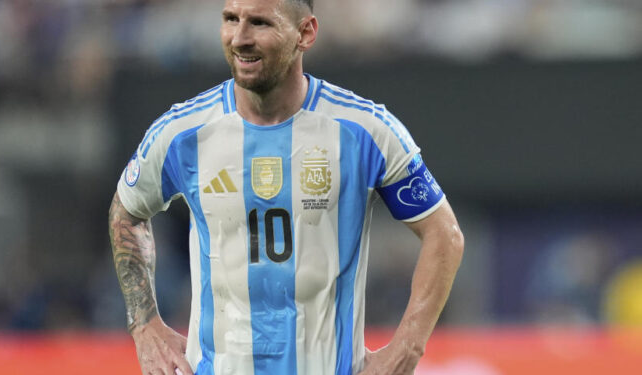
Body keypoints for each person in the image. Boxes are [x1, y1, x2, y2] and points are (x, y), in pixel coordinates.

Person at [108, 0, 464, 374]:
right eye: (231, 19)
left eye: (260, 23)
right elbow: (126, 211)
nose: (240, 38)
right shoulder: (183, 132)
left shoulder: (365, 131)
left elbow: (445, 234)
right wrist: (144, 324)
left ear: (305, 33)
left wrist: (405, 350)